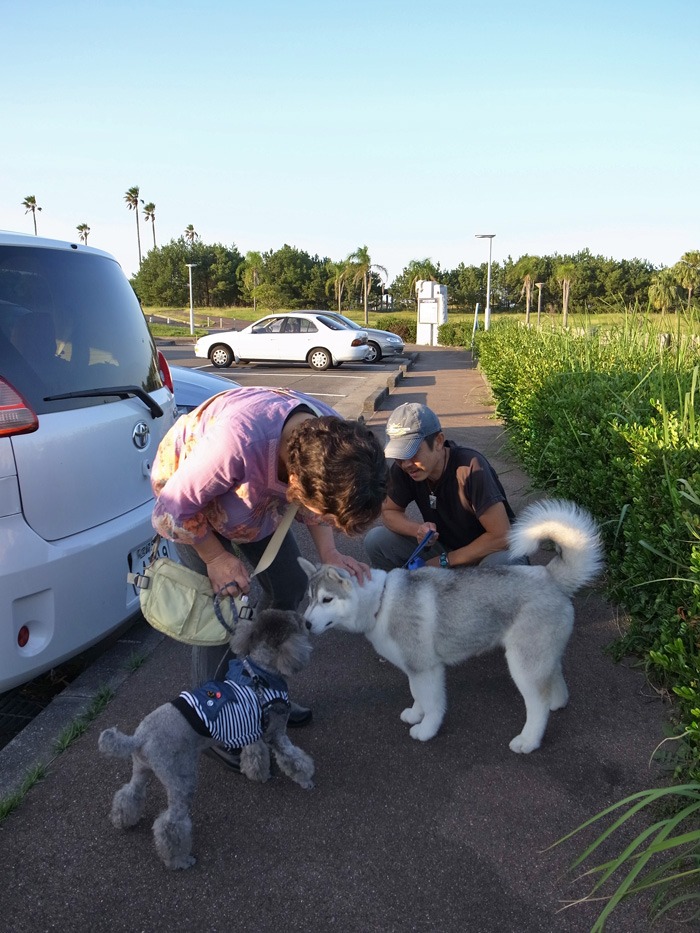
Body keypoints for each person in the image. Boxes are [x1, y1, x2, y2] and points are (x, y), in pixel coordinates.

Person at [151, 385, 387, 767]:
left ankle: (262, 692)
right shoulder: (236, 441)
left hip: (253, 512)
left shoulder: (333, 438)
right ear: (296, 483)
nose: (322, 520)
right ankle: (217, 723)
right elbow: (171, 509)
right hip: (193, 512)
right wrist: (214, 559)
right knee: (224, 613)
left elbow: (317, 503)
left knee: (291, 586)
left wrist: (329, 552)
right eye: (324, 515)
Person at [364, 402, 527, 571]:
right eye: (398, 456)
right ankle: (397, 595)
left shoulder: (471, 467)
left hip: (488, 553)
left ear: (439, 441)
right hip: (447, 548)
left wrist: (445, 560)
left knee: (503, 564)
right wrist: (418, 530)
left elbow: (501, 536)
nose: (406, 464)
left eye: (412, 452)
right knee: (376, 540)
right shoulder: (405, 469)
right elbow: (390, 511)